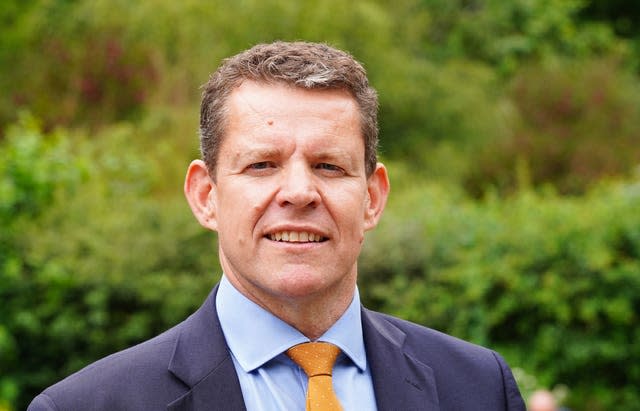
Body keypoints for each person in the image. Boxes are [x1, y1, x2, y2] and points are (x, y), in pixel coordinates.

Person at [28, 41, 525, 410]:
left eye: (329, 166)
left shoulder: (479, 387)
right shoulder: (89, 405)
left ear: (372, 198)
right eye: (262, 165)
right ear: (206, 196)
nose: (299, 192)